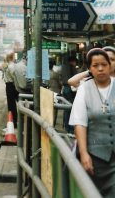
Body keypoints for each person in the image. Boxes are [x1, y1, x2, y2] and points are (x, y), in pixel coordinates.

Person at [69, 48, 115, 197]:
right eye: (95, 65)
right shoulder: (84, 89)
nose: (100, 68)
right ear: (89, 69)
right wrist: (83, 153)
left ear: (110, 65)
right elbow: (80, 123)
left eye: (104, 64)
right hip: (95, 157)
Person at [61, 53, 78, 133]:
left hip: (65, 89)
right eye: (75, 62)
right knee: (71, 109)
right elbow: (75, 78)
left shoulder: (63, 67)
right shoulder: (71, 68)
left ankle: (66, 126)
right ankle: (70, 129)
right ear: (72, 61)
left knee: (66, 109)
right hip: (70, 89)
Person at [2, 52, 18, 127]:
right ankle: (14, 121)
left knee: (11, 104)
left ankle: (13, 121)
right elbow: (14, 77)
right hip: (12, 85)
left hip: (9, 86)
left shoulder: (7, 65)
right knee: (13, 105)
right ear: (12, 57)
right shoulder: (11, 66)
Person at [48, 58, 62, 125]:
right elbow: (60, 83)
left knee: (48, 108)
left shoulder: (45, 73)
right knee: (54, 109)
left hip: (47, 91)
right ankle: (53, 124)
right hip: (55, 92)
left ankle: (48, 123)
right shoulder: (55, 73)